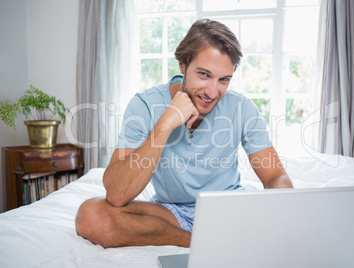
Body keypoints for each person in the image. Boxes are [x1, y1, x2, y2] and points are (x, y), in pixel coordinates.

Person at [75, 19, 293, 248]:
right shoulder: (144, 105)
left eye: (224, 80)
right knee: (90, 216)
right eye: (204, 75)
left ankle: (211, 241)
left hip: (228, 209)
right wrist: (164, 125)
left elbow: (275, 176)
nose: (212, 91)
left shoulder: (242, 107)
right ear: (182, 65)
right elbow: (117, 195)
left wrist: (278, 210)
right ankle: (205, 245)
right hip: (171, 213)